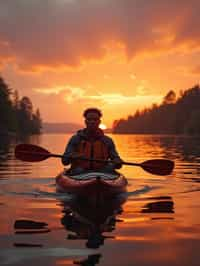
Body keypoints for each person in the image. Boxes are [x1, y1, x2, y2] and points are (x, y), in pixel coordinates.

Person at [62, 108, 123, 174]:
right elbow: (64, 161)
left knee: (109, 168)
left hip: (102, 171)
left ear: (99, 122)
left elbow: (116, 160)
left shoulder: (107, 141)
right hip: (80, 171)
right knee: (79, 170)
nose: (92, 122)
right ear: (85, 121)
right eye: (89, 119)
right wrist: (72, 156)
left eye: (95, 119)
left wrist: (117, 161)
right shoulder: (75, 139)